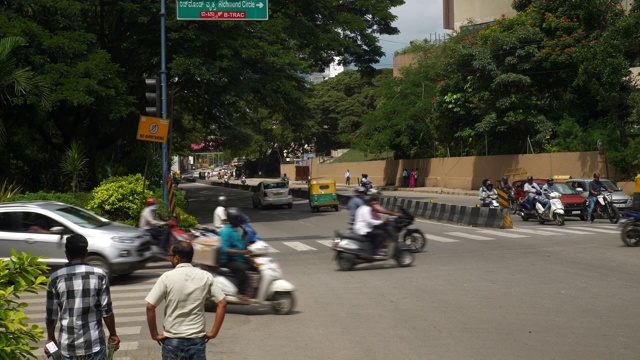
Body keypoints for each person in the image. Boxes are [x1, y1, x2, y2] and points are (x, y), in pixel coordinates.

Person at [145, 242, 227, 360]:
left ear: (177, 258)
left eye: (171, 256)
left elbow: (150, 307)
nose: (170, 258)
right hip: (197, 340)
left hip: (172, 341)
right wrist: (214, 332)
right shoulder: (205, 276)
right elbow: (222, 303)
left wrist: (155, 335)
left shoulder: (167, 277)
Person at [45, 234, 120, 359]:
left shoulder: (55, 279)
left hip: (67, 346)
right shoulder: (100, 275)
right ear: (86, 253)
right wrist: (113, 334)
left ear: (66, 253)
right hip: (94, 344)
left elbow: (51, 316)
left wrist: (50, 339)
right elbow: (107, 311)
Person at [218, 208, 255, 299]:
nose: (240, 221)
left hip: (237, 257)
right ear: (233, 219)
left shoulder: (235, 230)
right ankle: (241, 292)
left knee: (254, 264)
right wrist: (241, 251)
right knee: (241, 268)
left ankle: (253, 288)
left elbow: (238, 243)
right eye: (238, 219)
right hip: (227, 259)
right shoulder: (226, 231)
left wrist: (247, 245)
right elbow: (224, 248)